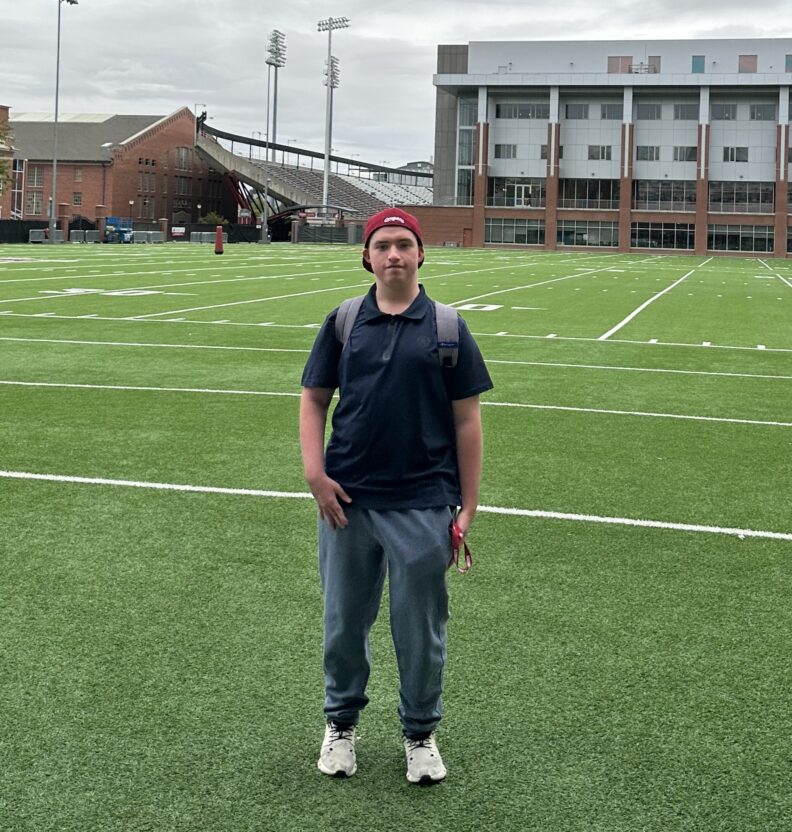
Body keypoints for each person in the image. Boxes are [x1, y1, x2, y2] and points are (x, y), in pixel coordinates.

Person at [299, 208, 493, 784]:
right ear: (367, 255)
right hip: (347, 500)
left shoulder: (448, 327)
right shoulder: (344, 320)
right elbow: (314, 400)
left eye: (404, 244)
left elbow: (468, 421)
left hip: (423, 499)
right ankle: (340, 724)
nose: (393, 255)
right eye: (382, 245)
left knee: (420, 627)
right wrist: (315, 474)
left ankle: (420, 732)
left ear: (420, 254)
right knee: (343, 622)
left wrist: (469, 503)